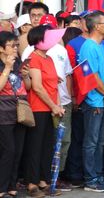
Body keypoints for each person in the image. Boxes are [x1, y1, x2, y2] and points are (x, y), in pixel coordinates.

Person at [24, 26, 66, 197]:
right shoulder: (33, 58)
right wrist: (53, 106)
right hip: (37, 108)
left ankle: (44, 180)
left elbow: (53, 85)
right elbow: (37, 87)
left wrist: (57, 106)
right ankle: (32, 183)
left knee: (47, 146)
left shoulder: (48, 58)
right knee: (35, 146)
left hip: (49, 108)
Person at [79, 11, 104, 192]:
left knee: (100, 142)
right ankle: (90, 178)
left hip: (103, 99)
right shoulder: (88, 46)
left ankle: (99, 175)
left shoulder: (102, 46)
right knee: (91, 142)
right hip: (93, 101)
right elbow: (91, 75)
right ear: (96, 26)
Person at [0, 32, 30, 198]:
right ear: (1, 48)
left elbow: (28, 86)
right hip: (3, 112)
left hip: (20, 110)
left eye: (17, 45)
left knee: (18, 150)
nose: (15, 48)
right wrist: (7, 68)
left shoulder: (18, 62)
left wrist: (25, 75)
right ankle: (2, 186)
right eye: (12, 45)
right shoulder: (5, 65)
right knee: (8, 151)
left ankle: (12, 185)